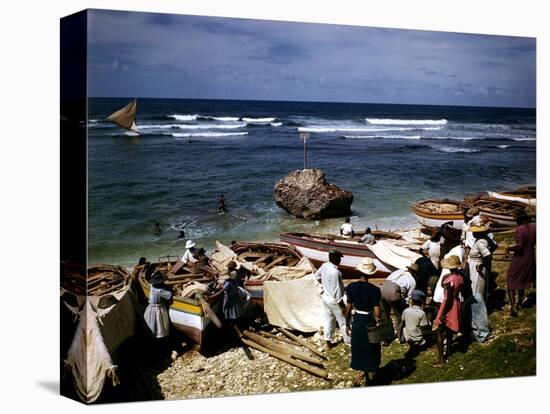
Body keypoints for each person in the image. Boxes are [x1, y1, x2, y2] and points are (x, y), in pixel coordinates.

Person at [344, 258, 382, 386]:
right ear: (371, 274)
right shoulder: (374, 290)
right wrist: (379, 321)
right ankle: (364, 372)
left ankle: (363, 373)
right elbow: (377, 311)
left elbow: (348, 308)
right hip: (368, 320)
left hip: (357, 321)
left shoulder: (350, 287)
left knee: (359, 347)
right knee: (371, 347)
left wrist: (347, 324)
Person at [315, 249, 351, 348]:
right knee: (343, 321)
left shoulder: (324, 265)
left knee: (329, 320)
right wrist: (343, 306)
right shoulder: (336, 272)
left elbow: (317, 276)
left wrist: (326, 284)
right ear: (334, 258)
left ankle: (328, 340)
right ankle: (348, 341)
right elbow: (337, 292)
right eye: (339, 258)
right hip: (334, 300)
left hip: (326, 297)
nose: (340, 260)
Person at [433, 255, 464, 367]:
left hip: (447, 305)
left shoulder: (449, 280)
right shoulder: (460, 277)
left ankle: (441, 359)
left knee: (439, 332)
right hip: (456, 303)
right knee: (449, 330)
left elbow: (448, 297)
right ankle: (449, 350)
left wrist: (442, 313)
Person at [505, 208, 536, 317]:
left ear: (519, 220)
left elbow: (519, 246)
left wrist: (508, 249)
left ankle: (513, 306)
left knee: (511, 279)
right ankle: (519, 303)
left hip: (520, 258)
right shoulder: (534, 226)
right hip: (531, 257)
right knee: (523, 278)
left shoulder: (520, 229)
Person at [380, 263, 418, 344]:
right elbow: (409, 297)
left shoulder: (398, 272)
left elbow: (387, 280)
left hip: (382, 289)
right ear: (414, 273)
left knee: (385, 315)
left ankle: (386, 338)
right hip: (393, 292)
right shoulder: (412, 281)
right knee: (399, 317)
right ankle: (401, 338)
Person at [467, 224, 496, 300]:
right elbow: (494, 246)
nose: (473, 234)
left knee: (476, 287)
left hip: (477, 266)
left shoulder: (481, 242)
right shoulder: (485, 239)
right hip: (475, 264)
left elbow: (488, 256)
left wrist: (482, 264)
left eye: (474, 232)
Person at [222, 261, 251, 337]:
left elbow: (223, 290)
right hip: (235, 297)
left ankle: (238, 332)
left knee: (229, 316)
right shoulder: (235, 278)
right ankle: (240, 328)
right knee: (236, 314)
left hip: (229, 300)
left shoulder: (229, 282)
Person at [143, 271, 172, 339]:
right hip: (158, 309)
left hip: (150, 307)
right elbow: (169, 295)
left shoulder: (152, 286)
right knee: (159, 324)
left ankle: (152, 335)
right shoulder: (160, 291)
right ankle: (159, 337)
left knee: (151, 323)